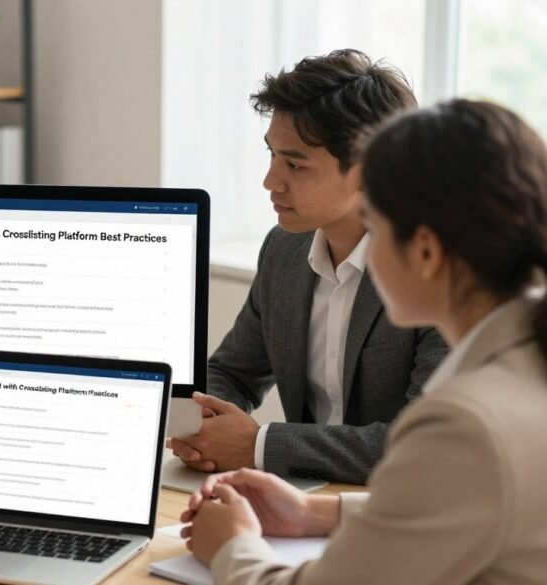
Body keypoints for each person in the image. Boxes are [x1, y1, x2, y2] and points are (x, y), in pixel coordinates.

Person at [181, 99, 547, 583]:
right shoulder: (521, 364)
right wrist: (317, 514)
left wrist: (233, 546)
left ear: (426, 252)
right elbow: (459, 502)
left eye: (374, 220)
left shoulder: (466, 422)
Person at [170, 49, 448, 484]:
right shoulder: (284, 250)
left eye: (295, 164)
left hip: (395, 509)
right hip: (298, 498)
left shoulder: (440, 273)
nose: (270, 181)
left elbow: (424, 446)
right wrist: (196, 424)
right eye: (272, 155)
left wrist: (257, 445)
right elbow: (231, 372)